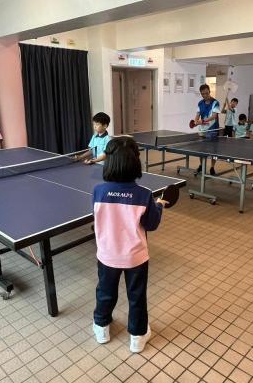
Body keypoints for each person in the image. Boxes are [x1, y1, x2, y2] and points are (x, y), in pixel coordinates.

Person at [91, 136, 168, 353]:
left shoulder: (98, 191)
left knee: (105, 292)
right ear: (135, 162)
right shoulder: (144, 195)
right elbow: (151, 224)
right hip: (135, 257)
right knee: (136, 296)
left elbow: (99, 219)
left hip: (107, 255)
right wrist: (158, 206)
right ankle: (138, 337)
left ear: (110, 162)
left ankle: (101, 328)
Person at [193, 84, 221, 175]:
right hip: (202, 130)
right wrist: (195, 121)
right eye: (203, 94)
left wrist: (202, 121)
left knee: (214, 150)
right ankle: (201, 165)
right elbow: (197, 114)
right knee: (201, 150)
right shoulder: (200, 103)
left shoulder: (215, 103)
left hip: (213, 130)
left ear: (209, 91)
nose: (205, 95)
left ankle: (212, 167)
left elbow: (214, 116)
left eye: (206, 93)